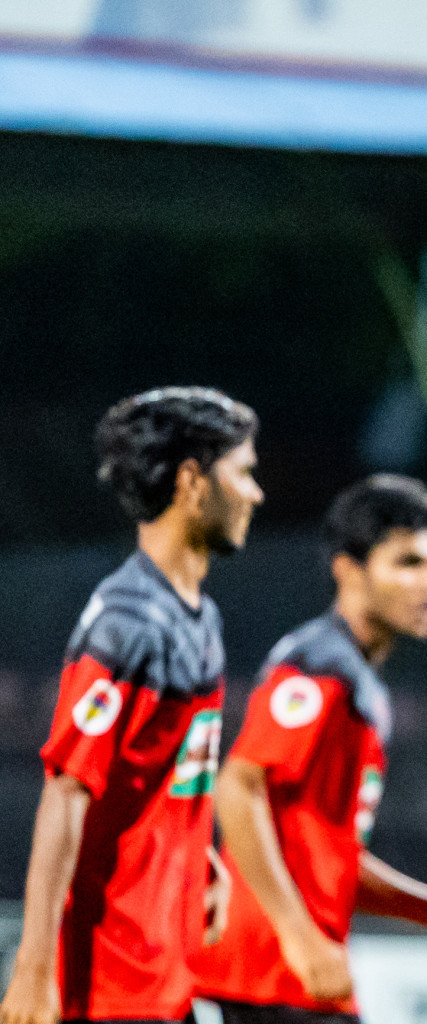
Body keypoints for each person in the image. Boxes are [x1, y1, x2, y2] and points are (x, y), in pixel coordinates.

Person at [195, 475, 427, 1024]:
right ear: (348, 569)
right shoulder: (320, 666)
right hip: (273, 975)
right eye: (407, 563)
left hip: (293, 979)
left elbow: (330, 854)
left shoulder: (357, 679)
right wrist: (301, 939)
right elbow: (238, 787)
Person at [0, 387, 262, 1024]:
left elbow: (155, 774)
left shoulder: (199, 618)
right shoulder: (124, 627)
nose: (256, 494)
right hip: (110, 983)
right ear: (195, 482)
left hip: (165, 973)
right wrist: (33, 973)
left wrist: (202, 858)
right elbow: (65, 796)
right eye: (245, 473)